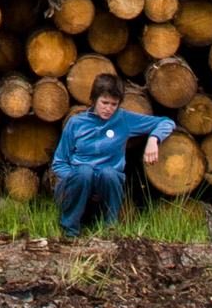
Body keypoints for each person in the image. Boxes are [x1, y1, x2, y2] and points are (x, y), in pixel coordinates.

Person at [49, 73, 175, 236]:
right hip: (77, 185)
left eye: (114, 104)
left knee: (109, 173)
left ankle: (110, 230)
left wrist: (153, 139)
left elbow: (166, 122)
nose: (109, 109)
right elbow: (59, 162)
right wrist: (80, 181)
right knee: (84, 172)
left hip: (106, 186)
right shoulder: (76, 123)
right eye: (104, 103)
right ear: (94, 99)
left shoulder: (123, 119)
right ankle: (70, 231)